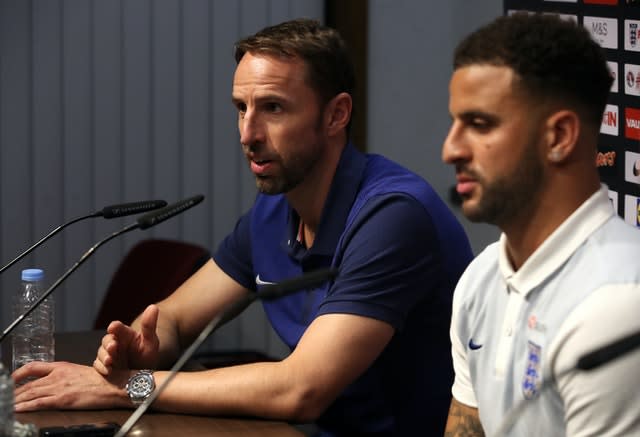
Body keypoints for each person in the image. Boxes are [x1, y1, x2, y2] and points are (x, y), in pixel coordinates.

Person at [13, 18, 473, 436]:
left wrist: (126, 387)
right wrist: (139, 351)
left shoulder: (392, 215)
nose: (248, 134)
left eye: (272, 108)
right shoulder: (273, 210)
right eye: (241, 108)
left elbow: (301, 388)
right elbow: (174, 319)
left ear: (336, 115)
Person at [442, 12, 640, 437]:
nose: (450, 149)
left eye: (479, 125)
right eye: (455, 122)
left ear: (559, 137)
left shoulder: (620, 304)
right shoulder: (479, 279)